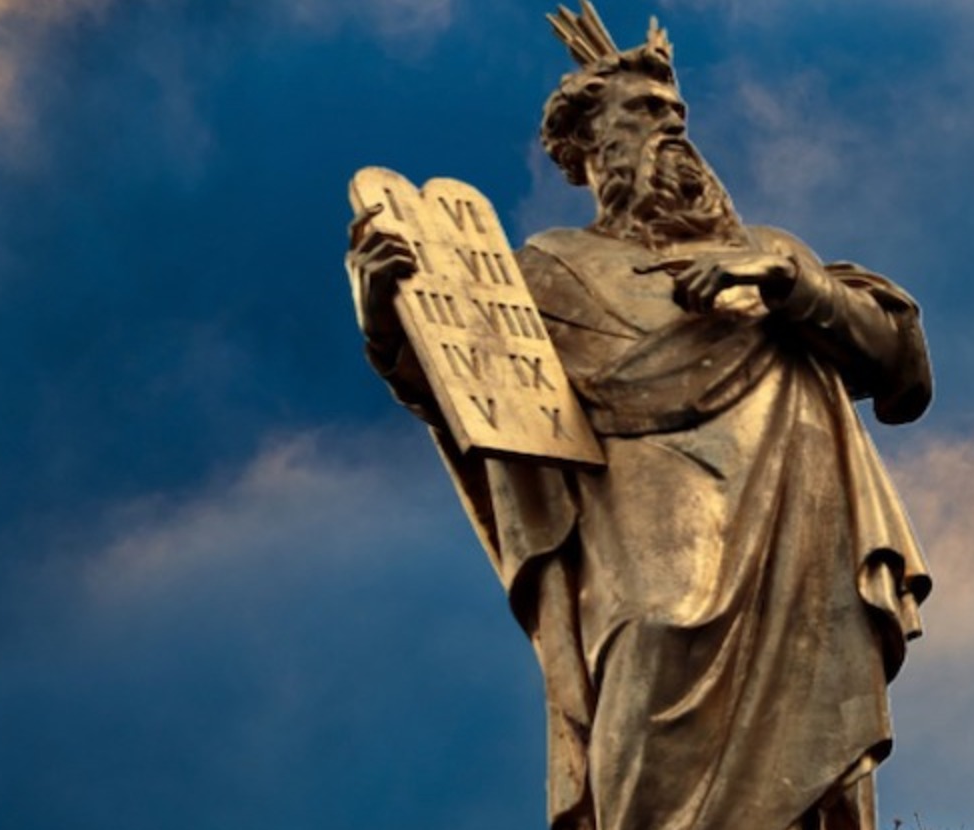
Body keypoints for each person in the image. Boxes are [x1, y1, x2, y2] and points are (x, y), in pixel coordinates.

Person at [345, 6, 933, 829]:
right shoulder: (550, 270)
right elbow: (477, 394)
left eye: (677, 110)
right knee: (652, 641)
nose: (674, 126)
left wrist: (791, 284)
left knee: (814, 723)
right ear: (589, 144)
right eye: (647, 111)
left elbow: (900, 367)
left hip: (797, 523)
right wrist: (387, 324)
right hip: (637, 515)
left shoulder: (769, 252)